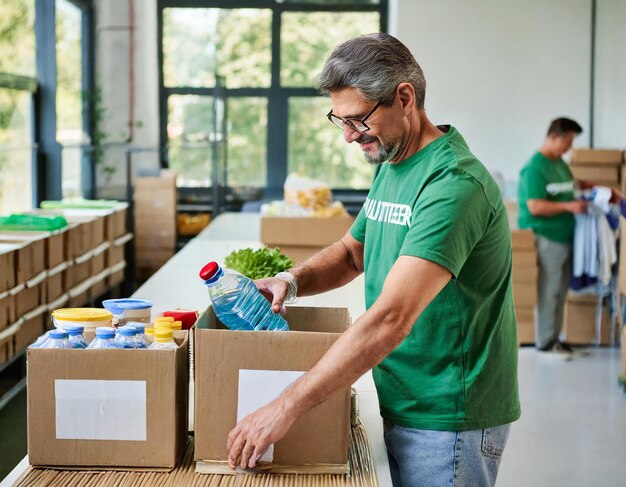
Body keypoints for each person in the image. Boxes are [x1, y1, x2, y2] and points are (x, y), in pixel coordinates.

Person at [226, 33, 520, 487]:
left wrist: (284, 406)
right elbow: (351, 252)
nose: (347, 136)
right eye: (338, 120)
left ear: (405, 98)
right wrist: (290, 279)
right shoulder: (393, 164)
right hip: (403, 396)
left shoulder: (453, 185)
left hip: (448, 416)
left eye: (357, 120)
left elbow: (391, 318)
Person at [518, 118, 588, 356]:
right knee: (549, 290)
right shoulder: (535, 168)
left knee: (560, 289)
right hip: (547, 236)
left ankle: (555, 337)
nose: (569, 148)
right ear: (554, 137)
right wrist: (569, 207)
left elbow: (572, 185)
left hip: (566, 236)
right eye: (567, 142)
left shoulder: (559, 163)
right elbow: (535, 206)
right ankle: (545, 341)